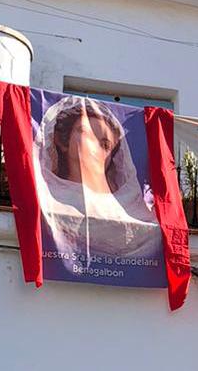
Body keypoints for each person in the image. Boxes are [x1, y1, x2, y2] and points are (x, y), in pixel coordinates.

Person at [35, 96, 161, 268]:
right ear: (63, 141)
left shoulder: (131, 209)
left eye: (105, 144)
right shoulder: (45, 194)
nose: (97, 147)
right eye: (90, 134)